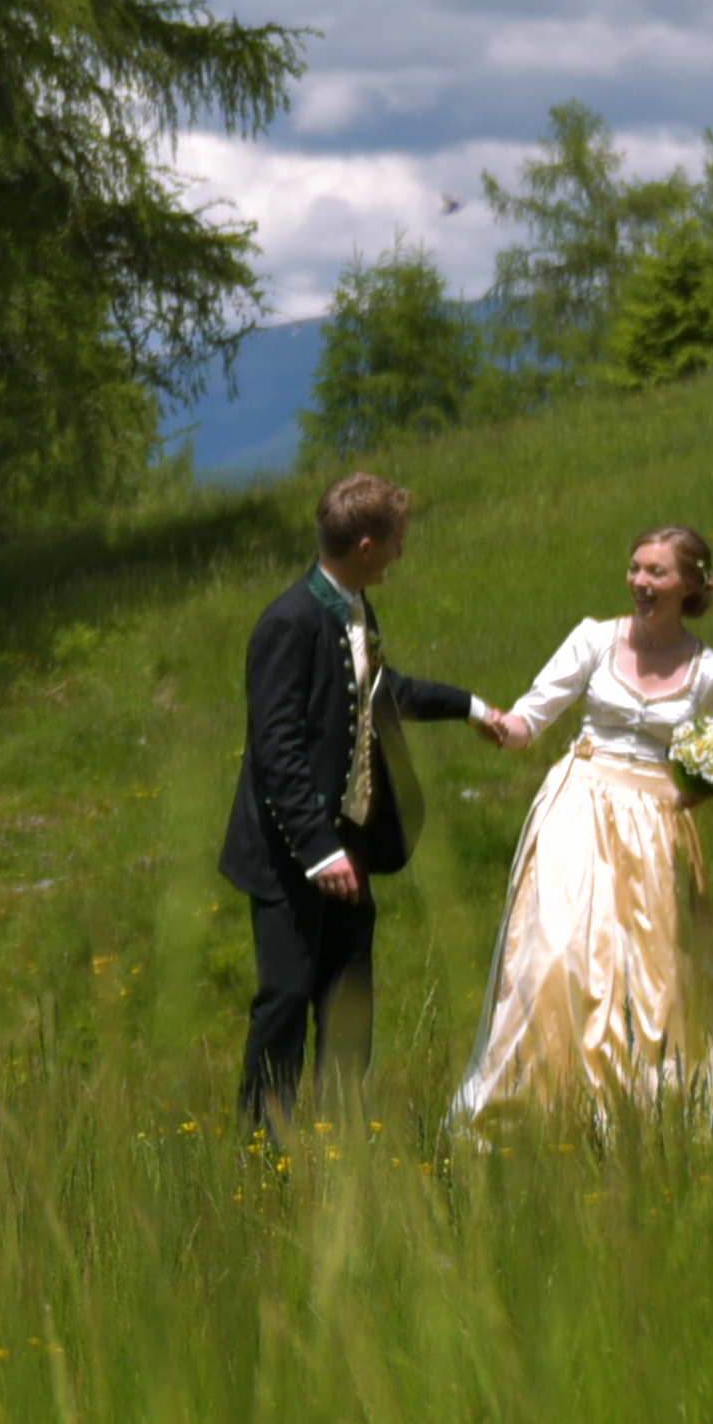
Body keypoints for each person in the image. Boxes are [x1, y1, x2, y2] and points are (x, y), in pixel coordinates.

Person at [447, 522, 713, 1133]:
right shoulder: (594, 639)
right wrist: (500, 725)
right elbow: (534, 715)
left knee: (649, 972)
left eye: (656, 571)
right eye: (635, 568)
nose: (640, 581)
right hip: (577, 805)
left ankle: (639, 1116)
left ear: (690, 584)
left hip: (655, 822)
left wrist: (697, 789)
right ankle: (529, 1108)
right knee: (554, 953)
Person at [217, 469, 483, 1128]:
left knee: (348, 999)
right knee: (285, 997)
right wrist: (317, 851)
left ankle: (342, 1140)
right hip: (293, 855)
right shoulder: (288, 621)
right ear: (366, 546)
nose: (401, 552)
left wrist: (474, 708)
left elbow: (379, 691)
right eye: (397, 541)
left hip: (353, 846)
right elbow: (274, 749)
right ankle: (264, 1147)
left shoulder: (354, 606)